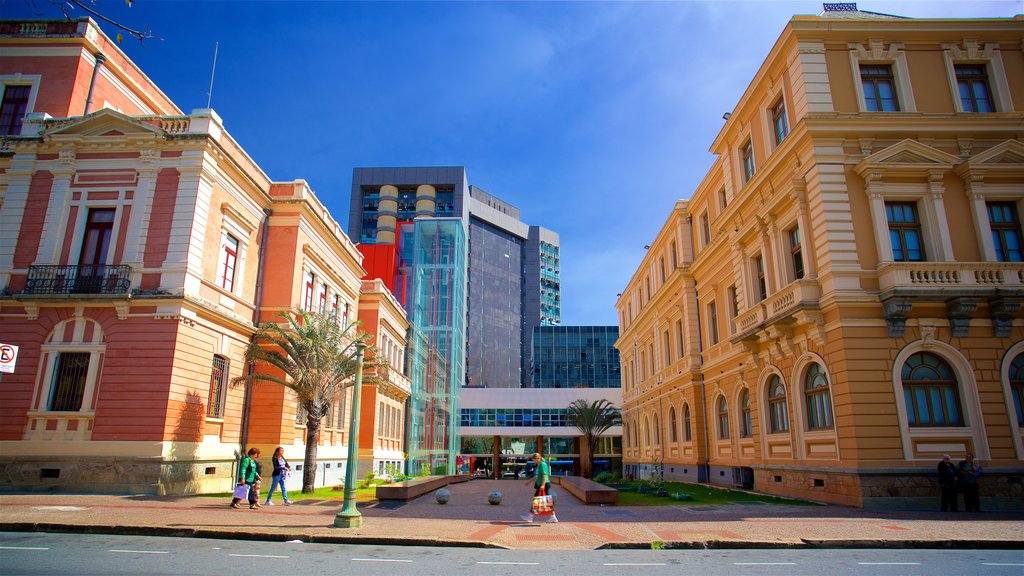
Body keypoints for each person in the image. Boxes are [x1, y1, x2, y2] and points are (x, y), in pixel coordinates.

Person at [520, 453, 557, 523]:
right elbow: (536, 476)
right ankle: (552, 517)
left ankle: (530, 516)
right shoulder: (539, 465)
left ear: (537, 458)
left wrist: (542, 485)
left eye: (534, 460)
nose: (534, 461)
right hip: (541, 485)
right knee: (545, 502)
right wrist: (529, 482)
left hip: (544, 485)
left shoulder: (542, 465)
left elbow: (544, 475)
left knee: (538, 501)